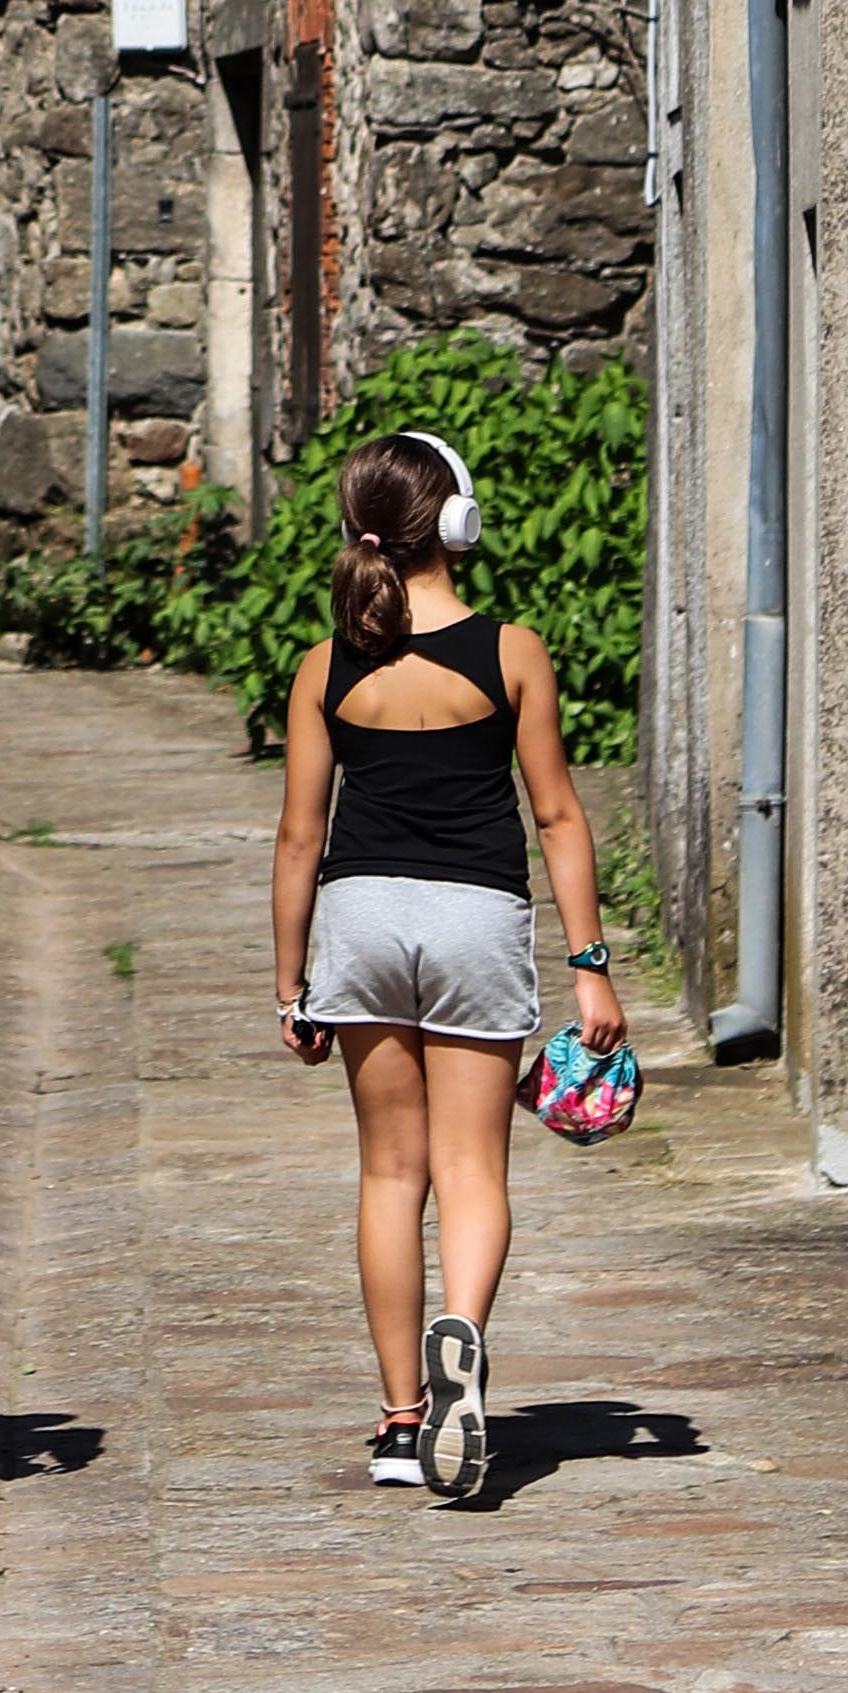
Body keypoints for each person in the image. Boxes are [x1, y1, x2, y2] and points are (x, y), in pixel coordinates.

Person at [270, 424, 623, 1502]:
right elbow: (556, 817)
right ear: (456, 525)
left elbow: (298, 837)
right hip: (476, 919)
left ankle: (396, 1422)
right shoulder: (512, 652)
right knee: (472, 1170)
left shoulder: (325, 667)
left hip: (360, 920)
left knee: (390, 1173)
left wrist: (291, 986)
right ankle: (459, 1330)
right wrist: (591, 965)